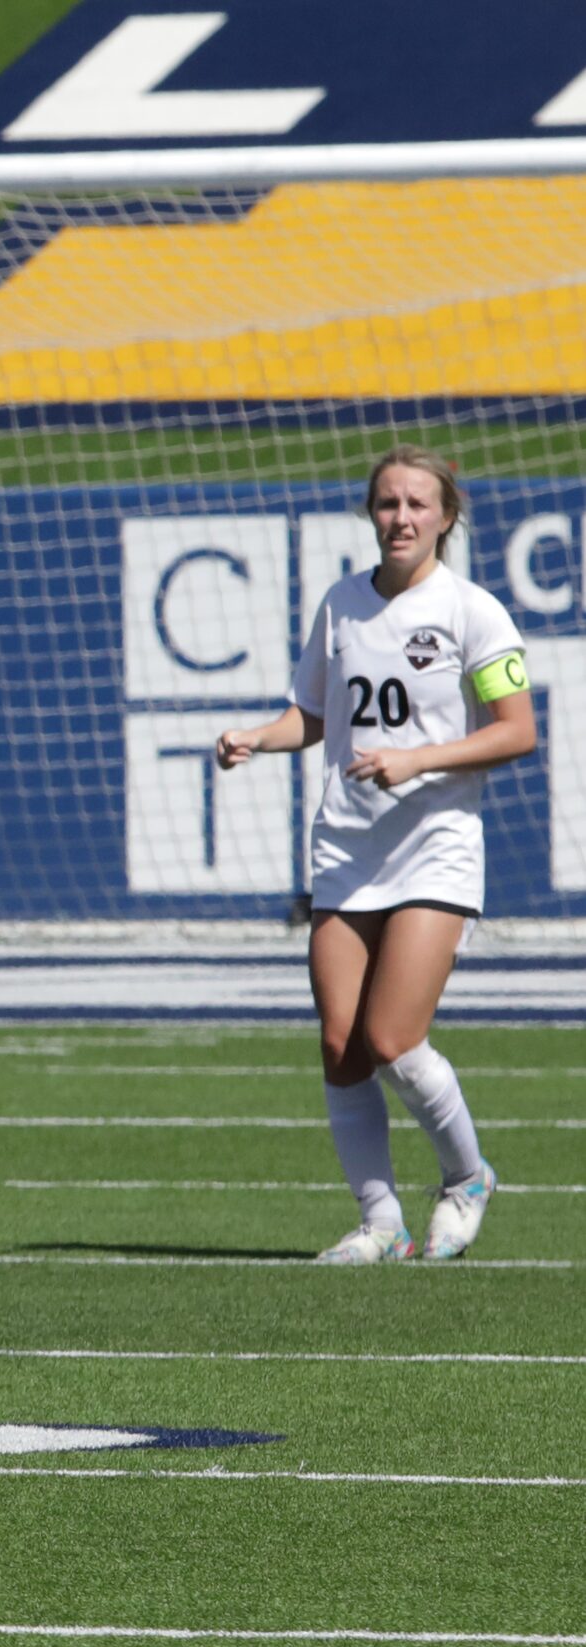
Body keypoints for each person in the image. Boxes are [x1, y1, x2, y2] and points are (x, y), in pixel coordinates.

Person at [216, 445, 535, 1263]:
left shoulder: (474, 611)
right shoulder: (342, 604)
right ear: (371, 513)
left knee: (392, 1037)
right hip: (347, 850)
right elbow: (312, 716)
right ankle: (380, 1222)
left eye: (417, 505)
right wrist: (260, 735)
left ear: (446, 517)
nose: (401, 518)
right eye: (388, 503)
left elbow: (515, 731)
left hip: (435, 848)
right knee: (339, 1042)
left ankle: (467, 1179)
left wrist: (416, 759)